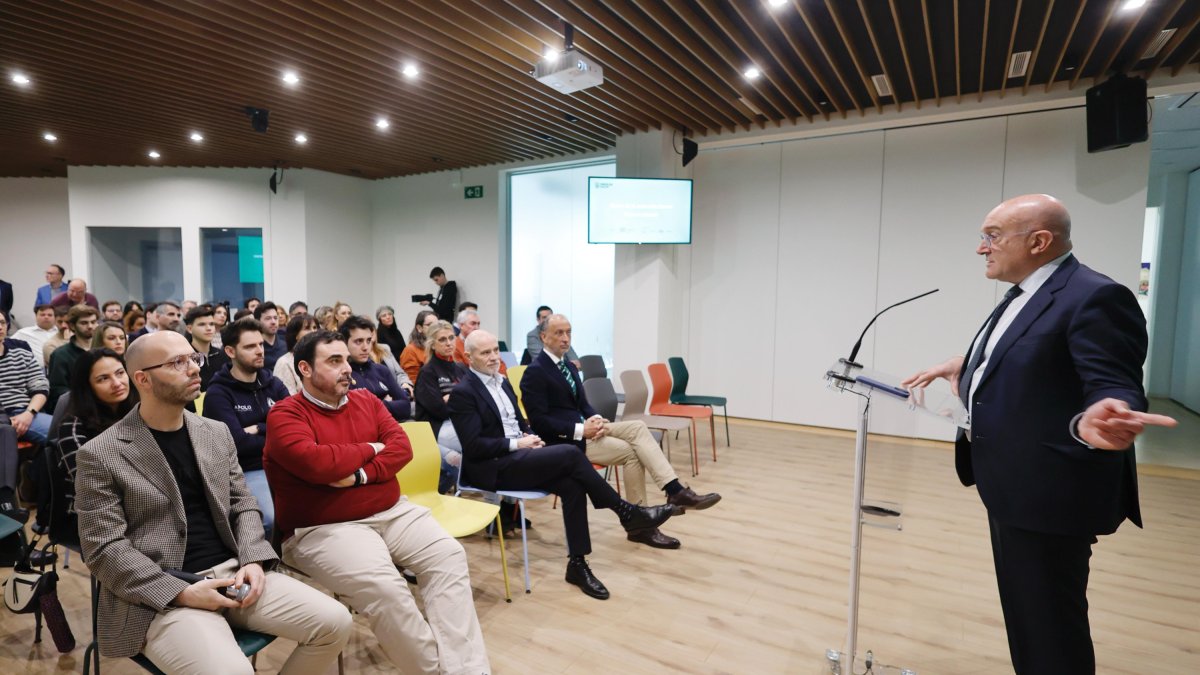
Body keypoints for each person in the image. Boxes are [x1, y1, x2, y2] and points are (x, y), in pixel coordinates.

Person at [901, 194, 1178, 675]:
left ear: (1039, 241)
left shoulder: (1095, 295)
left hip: (1050, 494)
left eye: (991, 236)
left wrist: (1110, 411)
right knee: (1028, 618)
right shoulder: (1026, 292)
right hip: (1011, 486)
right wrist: (968, 367)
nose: (981, 248)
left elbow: (1111, 380)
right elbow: (1036, 356)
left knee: (1049, 626)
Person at [75, 330, 352, 673]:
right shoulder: (101, 453)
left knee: (335, 622)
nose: (193, 369)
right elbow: (103, 549)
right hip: (165, 592)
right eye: (178, 362)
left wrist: (252, 558)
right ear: (142, 379)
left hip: (235, 574)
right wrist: (181, 593)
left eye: (194, 359)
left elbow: (244, 504)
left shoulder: (213, 432)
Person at [263, 330, 491, 673]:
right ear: (305, 369)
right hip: (324, 527)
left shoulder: (366, 400)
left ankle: (467, 670)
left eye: (346, 360)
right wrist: (371, 447)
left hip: (393, 511)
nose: (346, 368)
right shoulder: (285, 414)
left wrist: (359, 475)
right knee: (387, 589)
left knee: (449, 556)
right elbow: (317, 463)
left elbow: (402, 448)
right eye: (334, 361)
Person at [449, 330, 677, 599]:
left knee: (572, 485)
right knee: (570, 453)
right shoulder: (463, 393)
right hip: (493, 467)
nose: (492, 357)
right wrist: (516, 444)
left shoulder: (502, 382)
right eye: (484, 353)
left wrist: (526, 435)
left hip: (519, 456)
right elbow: (474, 446)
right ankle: (627, 512)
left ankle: (578, 564)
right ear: (468, 357)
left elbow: (517, 422)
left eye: (494, 351)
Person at [523, 314, 720, 548]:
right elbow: (539, 422)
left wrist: (595, 419)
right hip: (564, 442)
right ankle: (643, 525)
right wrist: (580, 429)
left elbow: (582, 404)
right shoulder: (535, 372)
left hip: (586, 430)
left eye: (569, 332)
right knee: (631, 453)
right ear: (543, 337)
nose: (566, 339)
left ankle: (673, 491)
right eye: (559, 333)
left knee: (637, 427)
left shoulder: (568, 366)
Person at [203, 318, 290, 537]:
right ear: (231, 351)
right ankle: (268, 566)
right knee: (269, 519)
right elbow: (237, 444)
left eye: (260, 344)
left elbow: (295, 429)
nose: (260, 351)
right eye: (250, 346)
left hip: (285, 463)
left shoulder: (274, 384)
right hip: (248, 469)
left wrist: (259, 428)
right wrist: (273, 430)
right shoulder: (218, 393)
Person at [54, 348, 139, 539]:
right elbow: (89, 484)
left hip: (142, 504)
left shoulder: (141, 409)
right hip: (96, 514)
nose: (117, 383)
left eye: (120, 373)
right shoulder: (72, 426)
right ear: (87, 386)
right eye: (103, 379)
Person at [413, 320, 468, 493]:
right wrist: (459, 399)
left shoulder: (460, 368)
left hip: (458, 423)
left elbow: (473, 401)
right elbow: (439, 409)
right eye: (442, 339)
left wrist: (450, 398)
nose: (449, 343)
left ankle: (501, 506)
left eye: (451, 338)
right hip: (436, 428)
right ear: (432, 344)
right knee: (480, 444)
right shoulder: (428, 372)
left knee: (489, 443)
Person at [340, 315, 411, 422]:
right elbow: (352, 413)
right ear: (344, 343)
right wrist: (386, 404)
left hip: (390, 427)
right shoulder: (341, 374)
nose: (365, 347)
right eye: (358, 341)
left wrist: (381, 405)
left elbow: (406, 407)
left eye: (368, 341)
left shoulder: (381, 370)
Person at [0, 312, 52, 446]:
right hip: (3, 416)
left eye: (2, 323)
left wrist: (29, 414)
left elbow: (40, 388)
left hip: (27, 411)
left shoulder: (22, 354)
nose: (0, 327)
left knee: (67, 431)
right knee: (61, 437)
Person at [47, 304, 100, 410]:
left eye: (93, 322)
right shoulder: (61, 355)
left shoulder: (104, 350)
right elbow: (58, 390)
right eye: (84, 323)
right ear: (72, 326)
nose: (90, 326)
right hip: (77, 407)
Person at [184, 305, 228, 391]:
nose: (209, 328)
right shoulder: (184, 358)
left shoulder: (223, 355)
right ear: (189, 329)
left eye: (212, 324)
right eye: (202, 324)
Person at [273, 314, 318, 395]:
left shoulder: (320, 358)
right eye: (307, 328)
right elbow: (286, 398)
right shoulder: (284, 362)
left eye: (315, 328)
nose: (313, 331)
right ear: (296, 335)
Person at [452, 309, 506, 374]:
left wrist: (501, 377)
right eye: (473, 324)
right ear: (461, 326)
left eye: (478, 324)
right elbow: (462, 372)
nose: (477, 327)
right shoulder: (454, 346)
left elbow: (500, 364)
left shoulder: (486, 342)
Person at [400, 310, 438, 383]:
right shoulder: (410, 350)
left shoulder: (440, 347)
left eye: (437, 324)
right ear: (419, 328)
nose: (435, 328)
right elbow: (413, 382)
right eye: (429, 324)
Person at [253, 302, 287, 372]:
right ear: (257, 321)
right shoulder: (254, 348)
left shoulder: (285, 345)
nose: (273, 322)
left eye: (275, 318)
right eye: (268, 318)